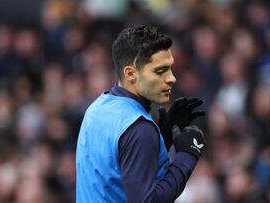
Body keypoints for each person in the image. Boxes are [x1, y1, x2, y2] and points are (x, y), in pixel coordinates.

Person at [76, 25, 206, 203]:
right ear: (130, 73)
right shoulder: (139, 129)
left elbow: (118, 167)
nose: (172, 78)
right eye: (160, 71)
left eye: (170, 68)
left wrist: (163, 136)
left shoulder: (96, 108)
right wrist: (186, 156)